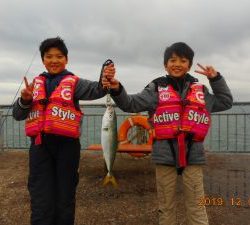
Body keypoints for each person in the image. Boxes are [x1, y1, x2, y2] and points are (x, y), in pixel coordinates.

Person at [102, 42, 233, 225]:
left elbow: (226, 102)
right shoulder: (156, 88)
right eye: (172, 60)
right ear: (165, 65)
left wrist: (216, 79)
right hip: (164, 156)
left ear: (189, 65)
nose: (177, 64)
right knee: (166, 207)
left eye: (183, 60)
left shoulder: (200, 90)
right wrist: (117, 89)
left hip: (193, 157)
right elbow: (130, 104)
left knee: (197, 206)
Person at [12, 37, 114, 225]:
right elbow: (17, 114)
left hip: (67, 148)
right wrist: (25, 99)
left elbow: (97, 90)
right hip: (40, 147)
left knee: (65, 197)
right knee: (41, 197)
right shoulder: (34, 85)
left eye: (59, 56)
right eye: (49, 56)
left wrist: (105, 76)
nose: (54, 60)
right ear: (43, 60)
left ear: (66, 59)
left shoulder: (75, 83)